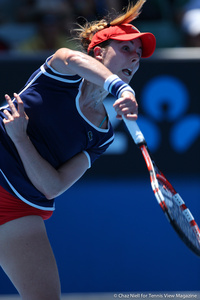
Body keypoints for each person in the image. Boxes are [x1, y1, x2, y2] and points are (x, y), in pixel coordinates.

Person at [0, 0, 156, 299]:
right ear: (98, 52)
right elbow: (71, 58)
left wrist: (20, 139)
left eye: (138, 54)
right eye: (126, 48)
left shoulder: (102, 136)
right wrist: (121, 88)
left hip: (17, 208)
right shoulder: (61, 72)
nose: (135, 58)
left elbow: (52, 186)